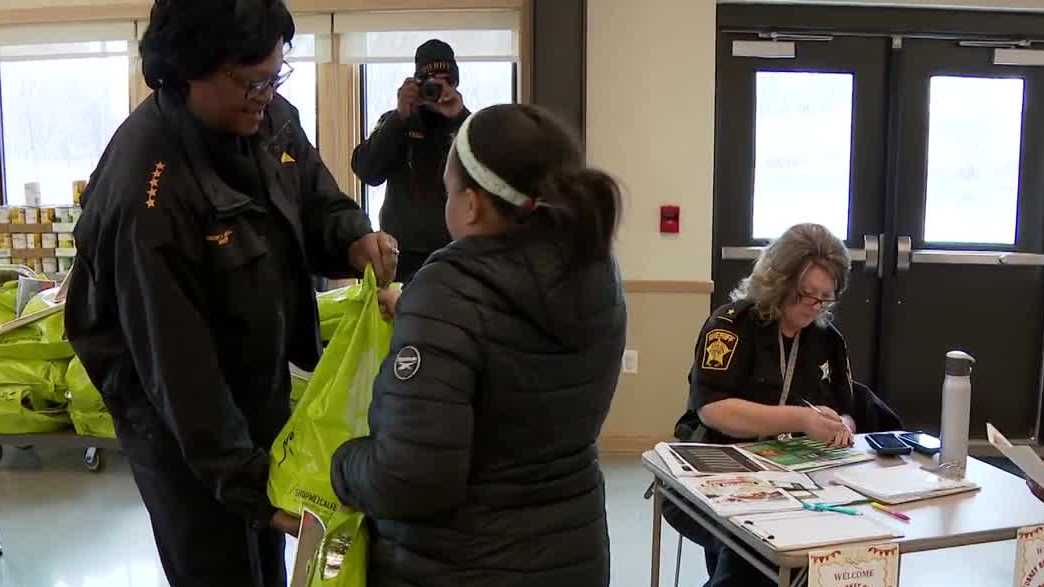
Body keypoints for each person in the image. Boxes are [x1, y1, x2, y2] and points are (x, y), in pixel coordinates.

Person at [64, 2, 397, 586]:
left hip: (254, 381)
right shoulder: (148, 196)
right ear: (187, 70)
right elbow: (177, 370)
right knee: (218, 561)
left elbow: (316, 195)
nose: (265, 92)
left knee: (263, 555)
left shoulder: (265, 117)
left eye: (276, 74)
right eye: (251, 80)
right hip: (176, 422)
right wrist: (250, 487)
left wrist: (353, 240)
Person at [331, 104, 627, 587]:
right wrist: (418, 313)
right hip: (573, 554)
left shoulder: (448, 289)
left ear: (470, 204)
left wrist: (342, 464)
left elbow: (412, 479)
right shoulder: (596, 270)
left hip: (459, 563)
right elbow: (514, 352)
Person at [667, 223, 857, 587]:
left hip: (802, 477)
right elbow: (713, 409)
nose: (815, 306)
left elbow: (847, 409)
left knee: (842, 545)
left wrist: (840, 426)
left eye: (826, 297)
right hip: (718, 466)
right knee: (752, 553)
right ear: (779, 282)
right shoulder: (731, 325)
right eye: (806, 294)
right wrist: (802, 419)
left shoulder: (828, 339)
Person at [351, 39, 469, 283]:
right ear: (417, 84)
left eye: (446, 80)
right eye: (431, 82)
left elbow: (484, 176)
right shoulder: (398, 122)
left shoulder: (468, 126)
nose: (438, 89)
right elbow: (367, 172)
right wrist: (399, 117)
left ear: (455, 83)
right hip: (401, 257)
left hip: (454, 253)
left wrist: (460, 118)